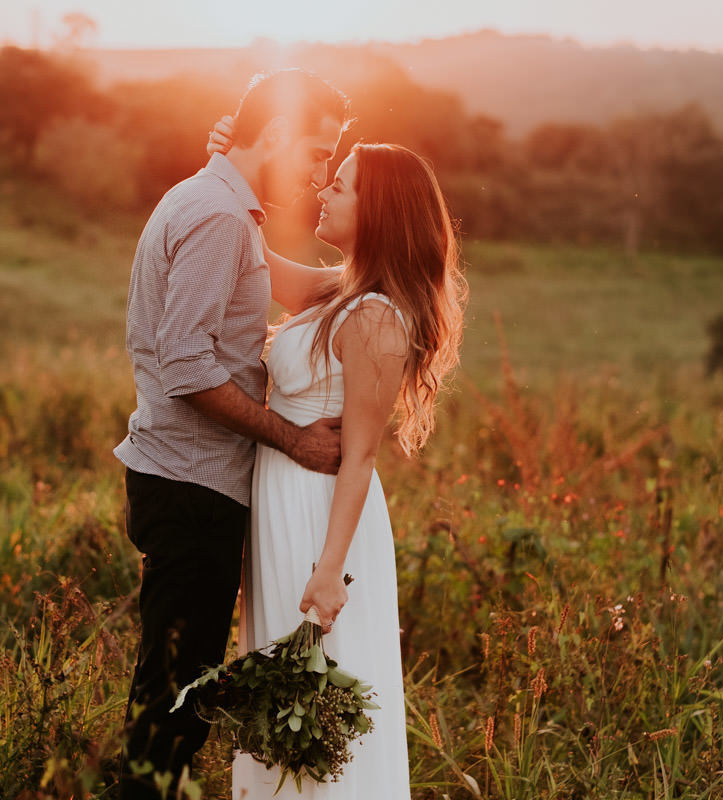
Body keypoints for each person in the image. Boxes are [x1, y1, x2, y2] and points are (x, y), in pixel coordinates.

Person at [207, 120, 467, 798]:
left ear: (376, 211)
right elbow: (253, 257)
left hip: (323, 521)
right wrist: (227, 165)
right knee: (281, 695)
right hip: (282, 504)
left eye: (341, 185)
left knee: (315, 700)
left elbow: (359, 458)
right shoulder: (342, 290)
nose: (324, 189)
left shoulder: (378, 317)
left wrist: (329, 572)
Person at [113, 69, 354, 800]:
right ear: (274, 135)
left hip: (183, 479)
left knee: (173, 694)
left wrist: (388, 261)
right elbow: (187, 365)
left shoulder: (220, 204)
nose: (318, 175)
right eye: (316, 153)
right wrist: (293, 438)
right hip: (191, 488)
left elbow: (299, 286)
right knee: (173, 706)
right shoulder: (218, 215)